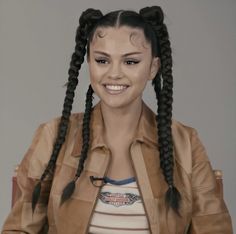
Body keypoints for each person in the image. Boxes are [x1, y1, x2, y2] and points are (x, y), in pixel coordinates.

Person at [2, 6, 233, 234]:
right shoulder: (53, 136)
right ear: (89, 63)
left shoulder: (186, 143)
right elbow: (19, 229)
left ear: (153, 67)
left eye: (130, 62)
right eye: (102, 60)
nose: (114, 73)